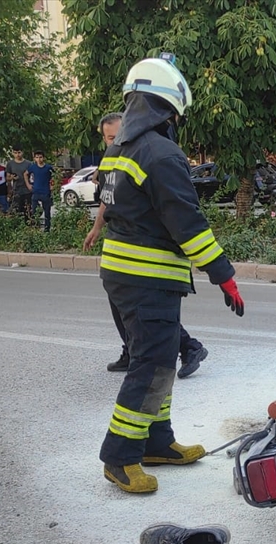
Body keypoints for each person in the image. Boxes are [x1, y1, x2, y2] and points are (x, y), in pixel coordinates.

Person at [93, 55, 245, 494]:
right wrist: (224, 275)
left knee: (157, 361)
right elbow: (187, 222)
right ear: (167, 108)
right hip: (147, 277)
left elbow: (116, 209)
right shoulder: (161, 153)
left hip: (123, 273)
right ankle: (120, 457)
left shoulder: (118, 148)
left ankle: (157, 441)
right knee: (152, 363)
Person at [84, 112, 209, 377]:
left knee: (151, 315)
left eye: (117, 135)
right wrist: (96, 228)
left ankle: (189, 347)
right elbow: (108, 199)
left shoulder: (152, 156)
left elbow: (180, 213)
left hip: (153, 253)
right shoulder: (112, 160)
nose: (115, 141)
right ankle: (132, 351)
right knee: (125, 307)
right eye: (109, 138)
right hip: (122, 253)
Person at [25, 152, 54, 232]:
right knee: (34, 211)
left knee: (47, 212)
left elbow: (55, 176)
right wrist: (28, 185)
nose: (39, 159)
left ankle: (47, 229)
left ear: (43, 158)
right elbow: (25, 174)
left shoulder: (48, 167)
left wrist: (53, 185)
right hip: (35, 192)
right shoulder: (33, 167)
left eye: (40, 157)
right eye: (37, 157)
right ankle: (36, 227)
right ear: (34, 158)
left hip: (45, 192)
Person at [6, 148, 33, 221]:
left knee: (28, 211)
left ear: (22, 152)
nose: (17, 155)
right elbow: (7, 178)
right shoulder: (10, 164)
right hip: (16, 191)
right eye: (15, 153)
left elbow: (33, 177)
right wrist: (12, 177)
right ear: (12, 153)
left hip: (27, 190)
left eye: (19, 152)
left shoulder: (29, 163)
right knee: (17, 211)